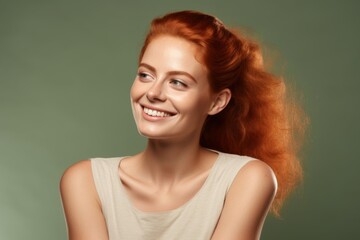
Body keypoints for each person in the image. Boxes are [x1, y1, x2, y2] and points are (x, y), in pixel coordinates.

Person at [60, 10, 305, 240]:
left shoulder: (247, 179)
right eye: (146, 75)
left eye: (177, 82)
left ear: (217, 102)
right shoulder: (85, 180)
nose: (153, 93)